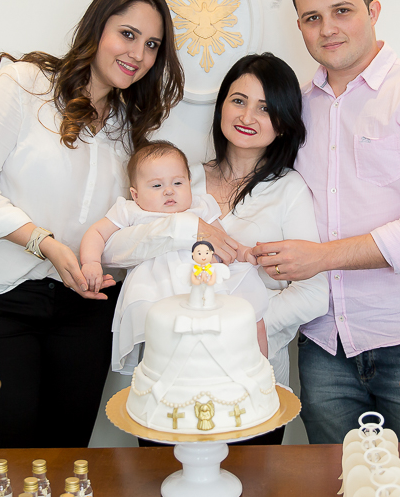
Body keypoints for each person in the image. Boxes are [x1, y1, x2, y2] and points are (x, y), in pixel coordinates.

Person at [0, 0, 184, 448]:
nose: (138, 54)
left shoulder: (127, 128)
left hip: (85, 311)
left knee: (64, 462)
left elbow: (124, 223)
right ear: (97, 28)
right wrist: (46, 244)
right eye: (128, 34)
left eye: (152, 44)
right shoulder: (23, 85)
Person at [252, 0, 400, 443]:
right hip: (321, 343)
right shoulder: (296, 108)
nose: (327, 28)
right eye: (312, 17)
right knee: (338, 495)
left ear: (373, 12)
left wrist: (321, 258)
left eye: (342, 11)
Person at [102, 52, 329, 444]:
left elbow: (312, 295)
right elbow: (113, 250)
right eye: (238, 101)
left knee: (252, 495)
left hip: (250, 381)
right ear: (221, 104)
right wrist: (188, 227)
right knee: (164, 492)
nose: (247, 117)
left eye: (265, 108)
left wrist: (229, 328)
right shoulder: (179, 177)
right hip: (169, 379)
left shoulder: (289, 190)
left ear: (283, 122)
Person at [79, 140, 269, 372]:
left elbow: (224, 242)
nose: (169, 191)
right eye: (157, 186)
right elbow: (97, 232)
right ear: (135, 194)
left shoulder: (201, 207)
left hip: (205, 283)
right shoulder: (131, 211)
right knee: (169, 349)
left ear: (190, 184)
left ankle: (259, 373)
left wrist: (246, 252)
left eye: (178, 182)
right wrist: (91, 262)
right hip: (159, 290)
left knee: (250, 318)